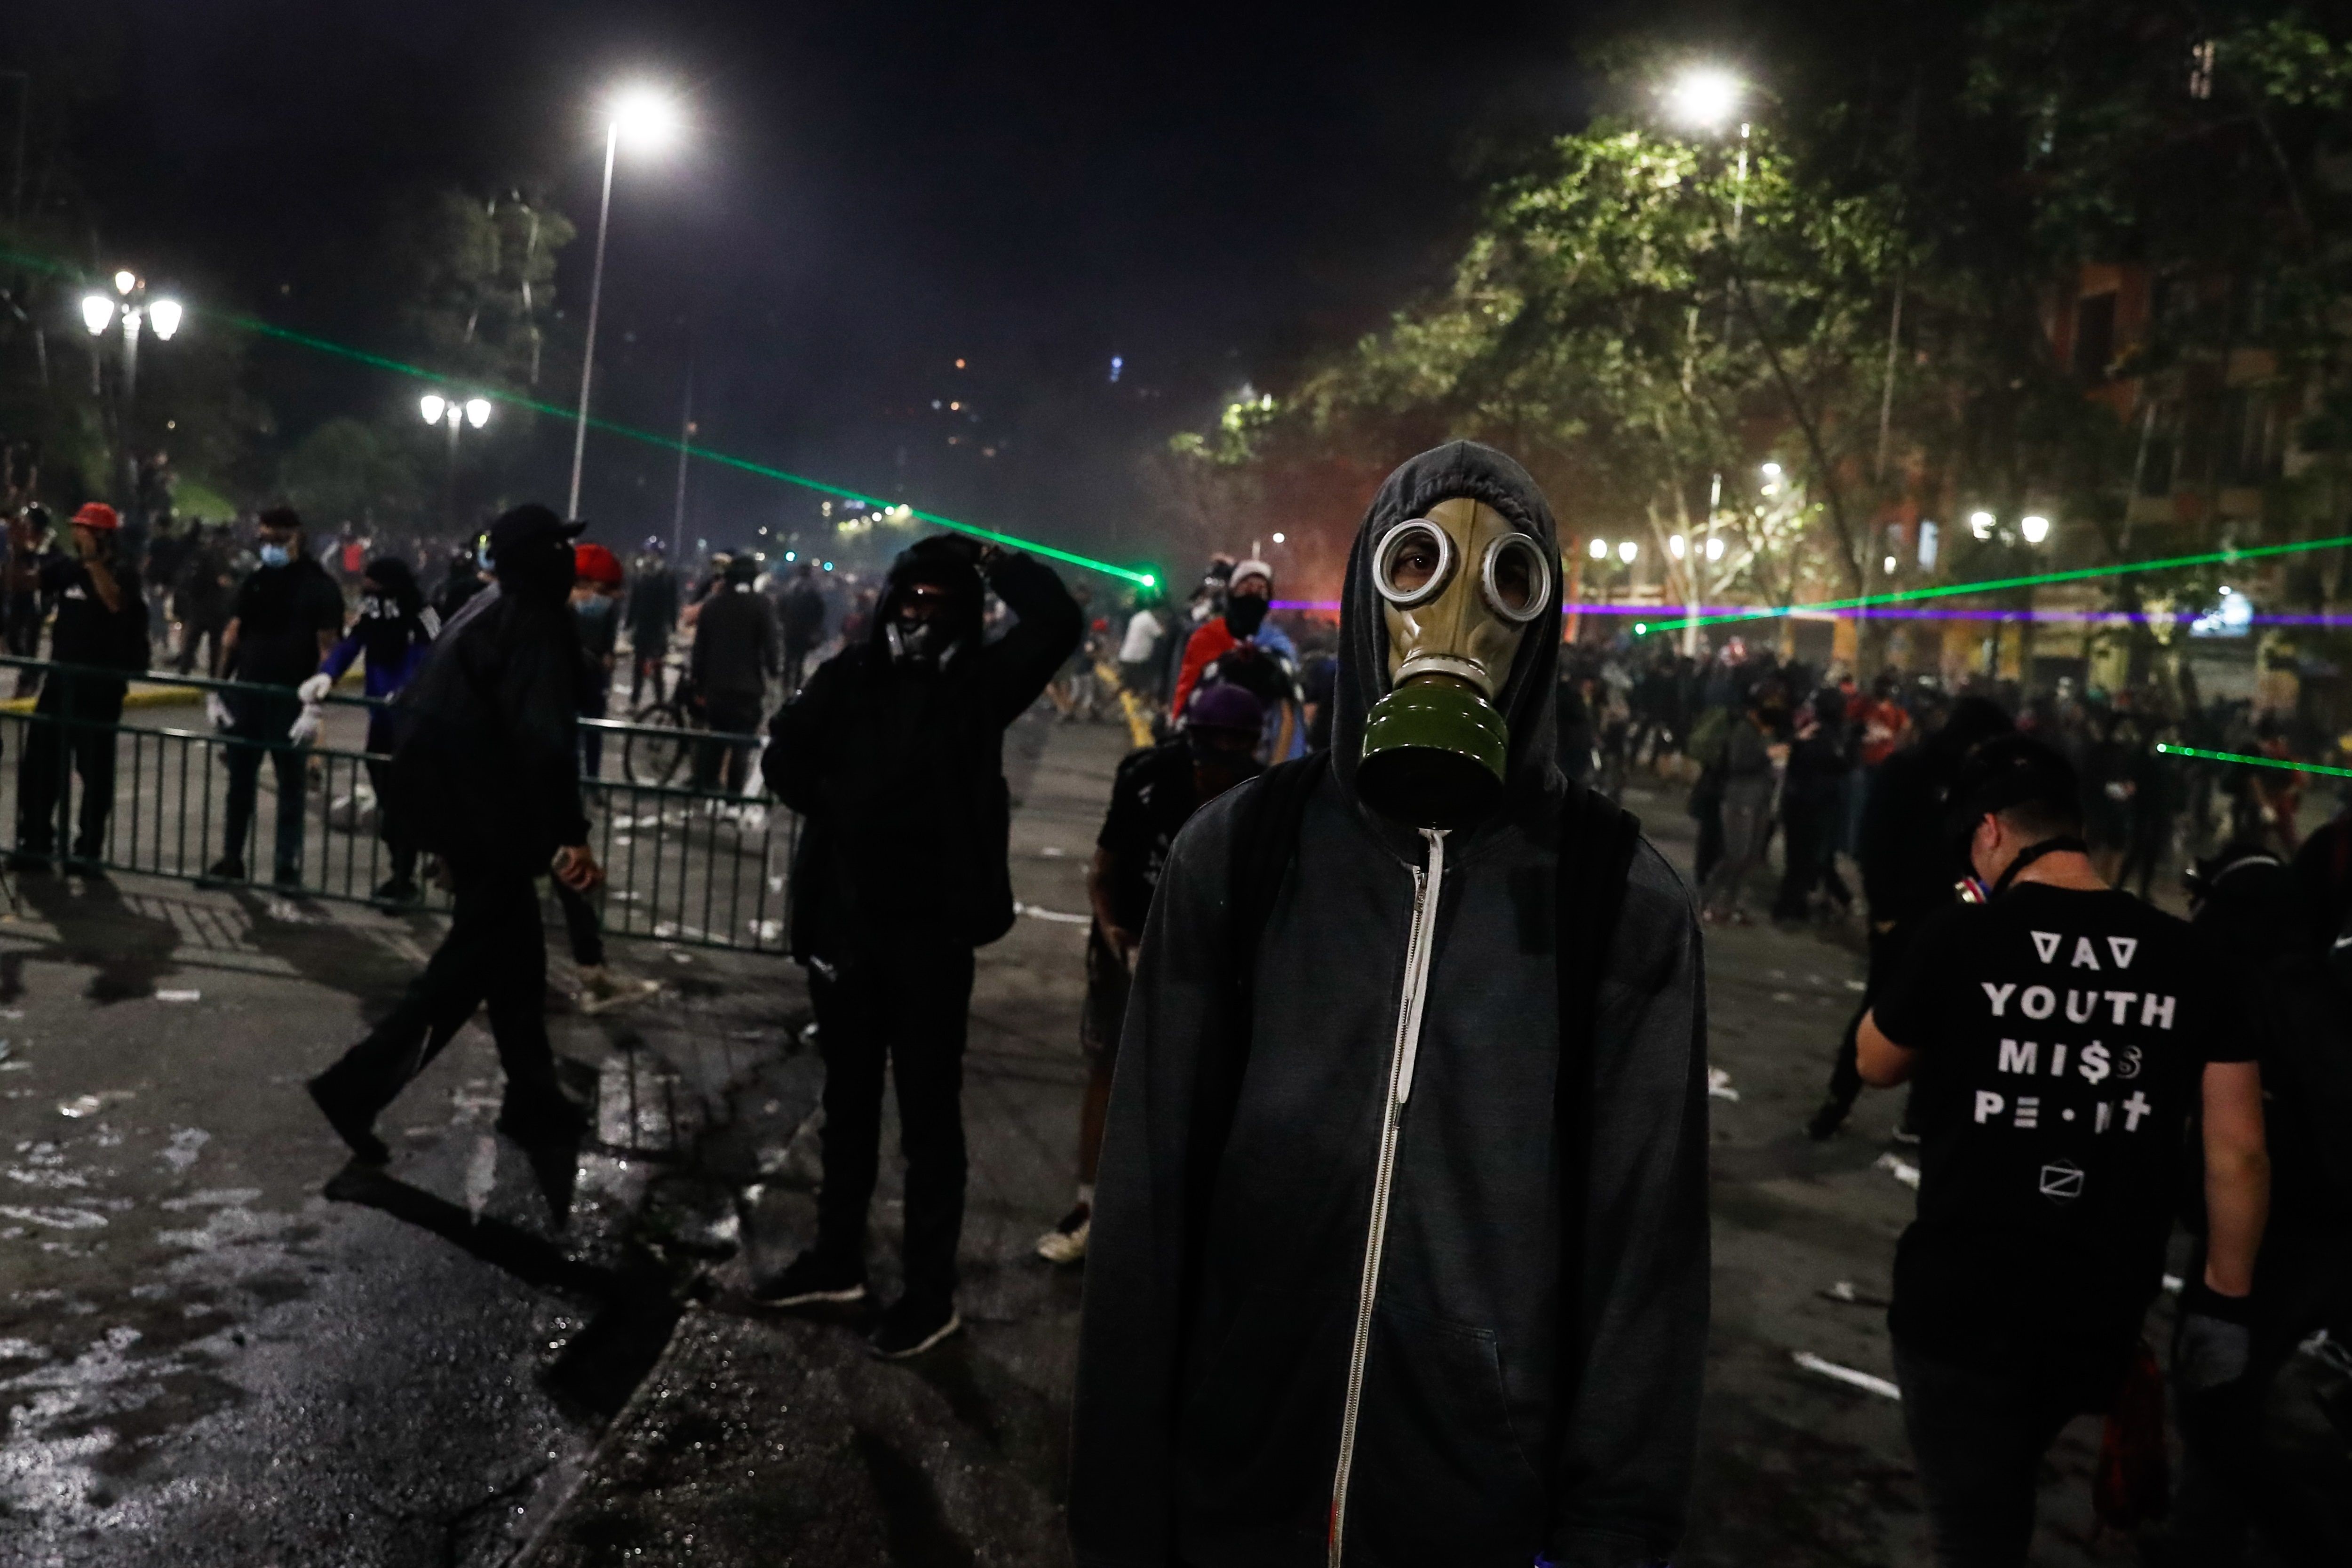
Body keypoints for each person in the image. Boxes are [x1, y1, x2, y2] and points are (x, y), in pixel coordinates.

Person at [1070, 442, 1706, 1567]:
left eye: (1506, 583)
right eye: (1418, 568)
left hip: (1470, 1518)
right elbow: (1151, 1199)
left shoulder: (1620, 901)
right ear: (1370, 588)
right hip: (1235, 1492)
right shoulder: (1242, 853)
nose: (1455, 623)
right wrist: (1122, 1504)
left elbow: (1642, 1261)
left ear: (1543, 619)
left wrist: (1611, 1536)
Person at [1854, 735, 2267, 1568]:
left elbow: (1875, 1060)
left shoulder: (1962, 936)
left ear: (1994, 833)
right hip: (2100, 1301)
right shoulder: (2190, 956)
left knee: (1974, 1526)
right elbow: (2238, 1152)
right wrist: (2224, 1307)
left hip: (1962, 1302)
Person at [754, 533, 1081, 1359]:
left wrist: (990, 557)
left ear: (964, 613)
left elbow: (1057, 621)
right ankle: (837, 1258)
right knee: (849, 1104)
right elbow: (782, 751)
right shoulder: (849, 678)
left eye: (939, 604)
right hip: (847, 929)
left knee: (930, 1120)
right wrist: (839, 802)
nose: (920, 616)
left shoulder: (978, 689)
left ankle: (929, 1293)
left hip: (931, 936)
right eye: (910, 600)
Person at [306, 505, 604, 1165]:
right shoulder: (532, 621)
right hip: (486, 817)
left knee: (517, 967)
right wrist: (572, 836)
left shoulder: (491, 606)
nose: (570, 558)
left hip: (459, 808)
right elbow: (545, 739)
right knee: (461, 973)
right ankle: (356, 1087)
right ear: (537, 556)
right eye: (559, 545)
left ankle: (533, 1100)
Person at [2156, 836, 2352, 1565]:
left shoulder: (2266, 996)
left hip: (2275, 1230)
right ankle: (2199, 1540)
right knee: (2228, 1396)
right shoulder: (2312, 983)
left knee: (2217, 1399)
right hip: (2315, 1232)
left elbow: (2244, 1153)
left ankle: (2292, 1542)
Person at [1035, 683, 1266, 1266]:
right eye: (1209, 757)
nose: (1214, 776)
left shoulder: (1261, 802)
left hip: (1205, 955)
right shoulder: (1146, 778)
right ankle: (1089, 1206)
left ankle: (1175, 1216)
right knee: (1108, 1067)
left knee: (1201, 1080)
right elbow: (1102, 870)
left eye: (1230, 758)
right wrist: (1115, 935)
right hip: (1128, 943)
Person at [1808, 697, 2015, 1141]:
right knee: (1882, 1009)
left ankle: (1913, 1115)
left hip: (1948, 915)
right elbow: (1877, 842)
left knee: (1939, 1017)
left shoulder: (1973, 784)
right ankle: (1839, 1099)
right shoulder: (1911, 771)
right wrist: (1885, 913)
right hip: (1907, 915)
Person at [207, 508, 345, 888]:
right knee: (240, 786)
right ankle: (232, 858)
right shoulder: (255, 582)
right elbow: (233, 636)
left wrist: (315, 707)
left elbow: (328, 648)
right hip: (249, 695)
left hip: (290, 699)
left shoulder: (319, 585)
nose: (271, 548)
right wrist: (219, 690)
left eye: (279, 540)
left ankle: (287, 867)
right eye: (265, 540)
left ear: (298, 537)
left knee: (291, 789)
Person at [11, 502, 150, 872]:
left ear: (103, 535)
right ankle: (36, 838)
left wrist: (93, 562)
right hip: (60, 684)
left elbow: (115, 602)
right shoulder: (68, 570)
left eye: (85, 529)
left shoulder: (123, 573)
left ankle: (88, 848)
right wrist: (14, 549)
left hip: (99, 689)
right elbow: (25, 583)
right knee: (40, 764)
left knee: (95, 771)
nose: (77, 535)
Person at [302, 557, 438, 905]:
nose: (368, 592)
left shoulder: (423, 615)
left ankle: (405, 874)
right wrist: (328, 674)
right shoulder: (372, 615)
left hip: (413, 725)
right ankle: (406, 864)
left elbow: (433, 657)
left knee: (403, 801)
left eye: (373, 586)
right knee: (389, 796)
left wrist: (408, 692)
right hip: (381, 722)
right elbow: (352, 644)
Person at [688, 554, 777, 796]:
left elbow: (700, 649)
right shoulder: (761, 606)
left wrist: (698, 684)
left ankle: (709, 788)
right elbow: (770, 646)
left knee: (716, 738)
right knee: (741, 744)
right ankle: (733, 796)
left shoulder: (713, 606)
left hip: (716, 687)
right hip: (748, 688)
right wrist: (773, 669)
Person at [570, 542, 625, 780]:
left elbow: (610, 641)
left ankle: (591, 779)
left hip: (593, 676)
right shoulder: (569, 605)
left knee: (592, 732)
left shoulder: (609, 606)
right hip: (573, 675)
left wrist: (608, 656)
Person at [173, 522, 236, 676]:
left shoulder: (201, 553)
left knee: (191, 644)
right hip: (215, 608)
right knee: (215, 647)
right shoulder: (218, 557)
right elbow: (224, 581)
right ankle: (213, 678)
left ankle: (183, 673)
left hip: (198, 607)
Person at [4, 502, 54, 693]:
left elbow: (37, 567)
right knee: (12, 635)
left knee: (31, 633)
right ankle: (28, 669)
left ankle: (30, 674)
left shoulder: (46, 543)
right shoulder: (21, 543)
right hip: (21, 596)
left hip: (37, 596)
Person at [627, 538, 680, 705]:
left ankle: (660, 703)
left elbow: (673, 604)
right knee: (638, 668)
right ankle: (635, 701)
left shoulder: (667, 577)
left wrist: (673, 628)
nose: (651, 557)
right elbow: (634, 603)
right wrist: (629, 626)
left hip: (658, 630)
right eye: (649, 553)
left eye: (654, 554)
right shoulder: (640, 577)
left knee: (657, 668)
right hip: (642, 629)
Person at [778, 559, 827, 695]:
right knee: (800, 659)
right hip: (805, 630)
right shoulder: (813, 590)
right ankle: (796, 686)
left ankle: (785, 685)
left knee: (789, 658)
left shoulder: (789, 588)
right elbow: (820, 610)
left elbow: (780, 606)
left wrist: (783, 621)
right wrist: (815, 627)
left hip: (790, 628)